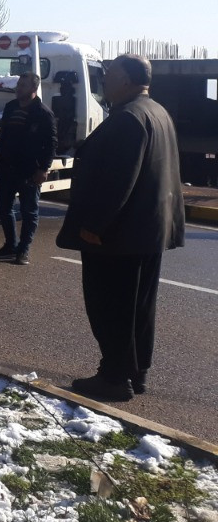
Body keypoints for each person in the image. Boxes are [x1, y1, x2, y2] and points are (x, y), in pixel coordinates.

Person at [56, 54, 184, 401]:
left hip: (117, 235)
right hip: (147, 231)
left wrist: (94, 225)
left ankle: (113, 378)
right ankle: (135, 372)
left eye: (110, 74)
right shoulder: (156, 112)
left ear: (126, 80)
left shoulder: (128, 118)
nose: (105, 80)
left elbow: (118, 181)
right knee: (139, 308)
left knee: (111, 308)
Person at [0, 71, 56, 265]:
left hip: (29, 170)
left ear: (34, 89)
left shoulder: (43, 113)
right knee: (3, 206)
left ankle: (23, 250)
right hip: (7, 168)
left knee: (29, 212)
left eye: (24, 85)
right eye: (19, 84)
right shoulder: (10, 107)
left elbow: (51, 144)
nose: (19, 88)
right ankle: (11, 245)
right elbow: (4, 136)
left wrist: (43, 169)